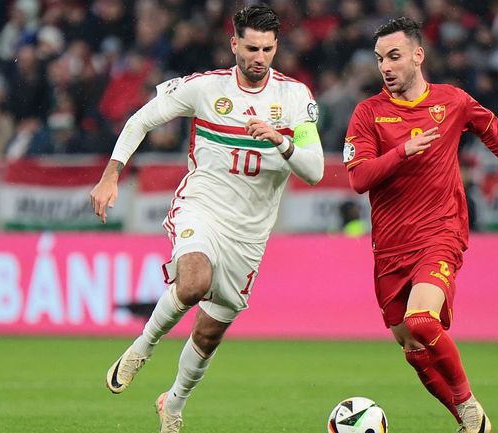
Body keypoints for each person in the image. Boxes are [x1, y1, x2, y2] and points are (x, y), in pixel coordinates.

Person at [89, 5, 324, 433]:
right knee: (194, 281)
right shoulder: (205, 88)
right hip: (202, 206)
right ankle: (142, 347)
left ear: (276, 48)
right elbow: (142, 119)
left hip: (250, 233)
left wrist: (281, 141)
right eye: (251, 48)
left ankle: (173, 404)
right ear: (234, 44)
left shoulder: (295, 98)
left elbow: (315, 170)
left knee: (209, 333)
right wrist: (111, 175)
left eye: (267, 49)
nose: (259, 57)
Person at [344, 17, 498, 433]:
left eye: (394, 56)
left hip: (440, 232)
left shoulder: (451, 101)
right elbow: (359, 178)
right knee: (411, 346)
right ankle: (470, 423)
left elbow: (488, 125)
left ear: (417, 56)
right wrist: (403, 151)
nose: (385, 67)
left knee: (423, 321)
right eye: (380, 59)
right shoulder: (368, 113)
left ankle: (468, 405)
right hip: (390, 245)